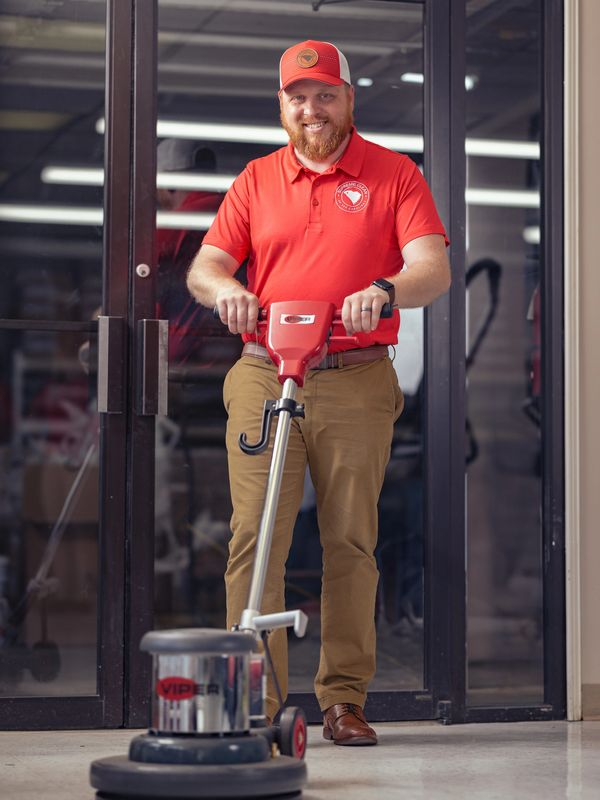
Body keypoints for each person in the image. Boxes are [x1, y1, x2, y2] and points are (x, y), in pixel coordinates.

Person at [186, 40, 450, 746]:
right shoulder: (256, 179)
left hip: (355, 376)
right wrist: (230, 293)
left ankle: (343, 699)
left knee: (351, 540)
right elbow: (207, 267)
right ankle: (251, 701)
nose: (311, 109)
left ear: (348, 98)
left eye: (324, 94)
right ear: (283, 105)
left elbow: (432, 267)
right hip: (263, 368)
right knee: (255, 533)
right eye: (298, 97)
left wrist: (387, 289)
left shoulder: (395, 175)